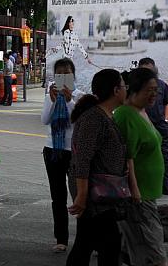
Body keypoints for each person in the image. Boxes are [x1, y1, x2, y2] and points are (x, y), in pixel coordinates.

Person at [67, 69, 128, 266]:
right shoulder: (94, 118)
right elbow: (82, 159)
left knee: (88, 245)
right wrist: (82, 195)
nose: (126, 89)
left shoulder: (106, 115)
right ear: (116, 90)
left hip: (103, 196)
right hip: (96, 198)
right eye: (123, 85)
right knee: (106, 246)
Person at [114, 68, 168, 266]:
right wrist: (134, 190)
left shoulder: (141, 111)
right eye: (149, 90)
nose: (154, 94)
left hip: (147, 195)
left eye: (156, 90)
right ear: (134, 90)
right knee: (155, 255)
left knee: (134, 251)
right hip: (138, 197)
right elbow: (126, 158)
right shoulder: (126, 116)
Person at [40, 58, 85, 253]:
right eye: (59, 74)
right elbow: (44, 120)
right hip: (53, 150)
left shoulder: (80, 97)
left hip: (74, 152)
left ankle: (85, 239)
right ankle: (61, 239)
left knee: (80, 196)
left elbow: (80, 122)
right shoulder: (50, 95)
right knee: (57, 197)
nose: (63, 77)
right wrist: (52, 101)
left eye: (67, 73)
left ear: (73, 75)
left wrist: (69, 101)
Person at [138, 57, 168, 196]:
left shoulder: (161, 85)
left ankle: (166, 186)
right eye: (145, 70)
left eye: (151, 70)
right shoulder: (136, 87)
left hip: (160, 126)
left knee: (163, 156)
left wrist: (166, 120)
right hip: (142, 126)